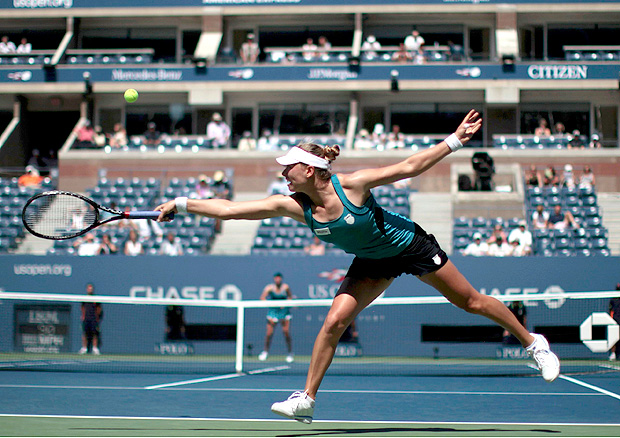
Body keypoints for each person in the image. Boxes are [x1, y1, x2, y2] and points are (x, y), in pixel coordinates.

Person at [155, 110, 560, 422]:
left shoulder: (351, 185)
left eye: (288, 167)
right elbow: (230, 209)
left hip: (409, 246)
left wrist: (454, 140)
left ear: (309, 170)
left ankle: (532, 343)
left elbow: (407, 168)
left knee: (470, 302)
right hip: (371, 261)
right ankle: (307, 400)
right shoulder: (294, 205)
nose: (283, 173)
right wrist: (182, 203)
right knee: (334, 322)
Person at [257, 273, 294, 363]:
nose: (278, 280)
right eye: (276, 278)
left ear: (281, 279)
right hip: (273, 312)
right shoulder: (269, 288)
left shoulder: (285, 287)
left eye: (279, 278)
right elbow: (262, 298)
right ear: (274, 279)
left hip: (284, 312)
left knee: (286, 333)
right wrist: (271, 305)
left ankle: (290, 353)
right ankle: (265, 352)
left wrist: (284, 305)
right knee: (269, 333)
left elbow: (290, 297)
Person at [79, 284, 103, 355]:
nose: (90, 290)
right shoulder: (84, 298)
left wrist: (97, 317)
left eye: (91, 288)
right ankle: (84, 348)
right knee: (85, 333)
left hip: (94, 319)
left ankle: (95, 348)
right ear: (87, 289)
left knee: (94, 333)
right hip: (86, 319)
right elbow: (82, 307)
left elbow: (99, 308)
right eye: (89, 288)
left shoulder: (96, 298)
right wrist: (83, 316)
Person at [609, 283, 620, 361]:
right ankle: (613, 354)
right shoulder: (613, 299)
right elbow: (611, 311)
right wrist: (612, 320)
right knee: (614, 338)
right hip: (615, 321)